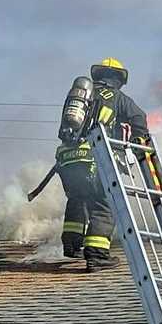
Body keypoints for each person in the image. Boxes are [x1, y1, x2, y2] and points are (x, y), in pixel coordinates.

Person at [57, 57, 149, 272]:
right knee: (104, 204)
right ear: (118, 78)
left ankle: (72, 245)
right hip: (97, 159)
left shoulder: (81, 97)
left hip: (68, 159)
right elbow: (139, 118)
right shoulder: (118, 98)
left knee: (77, 198)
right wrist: (137, 142)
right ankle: (97, 256)